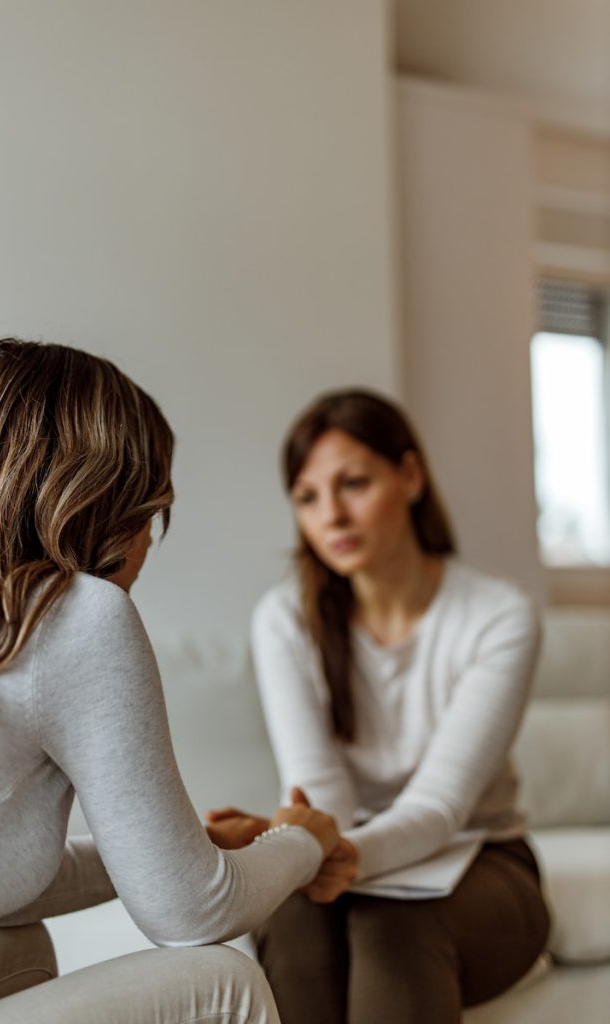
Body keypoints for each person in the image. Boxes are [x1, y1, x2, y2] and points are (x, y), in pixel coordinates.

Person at [0, 339, 342, 1024]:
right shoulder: (75, 614)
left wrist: (197, 848)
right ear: (104, 501)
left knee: (13, 947)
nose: (149, 542)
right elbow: (191, 914)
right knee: (220, 980)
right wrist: (303, 839)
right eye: (151, 512)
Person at [212, 389, 551, 1024]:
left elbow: (440, 807)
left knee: (389, 921)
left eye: (354, 484)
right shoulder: (285, 619)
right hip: (341, 853)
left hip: (483, 858)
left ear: (411, 476)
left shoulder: (498, 616)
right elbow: (324, 794)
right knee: (292, 916)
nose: (332, 516)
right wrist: (306, 846)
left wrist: (339, 855)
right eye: (308, 498)